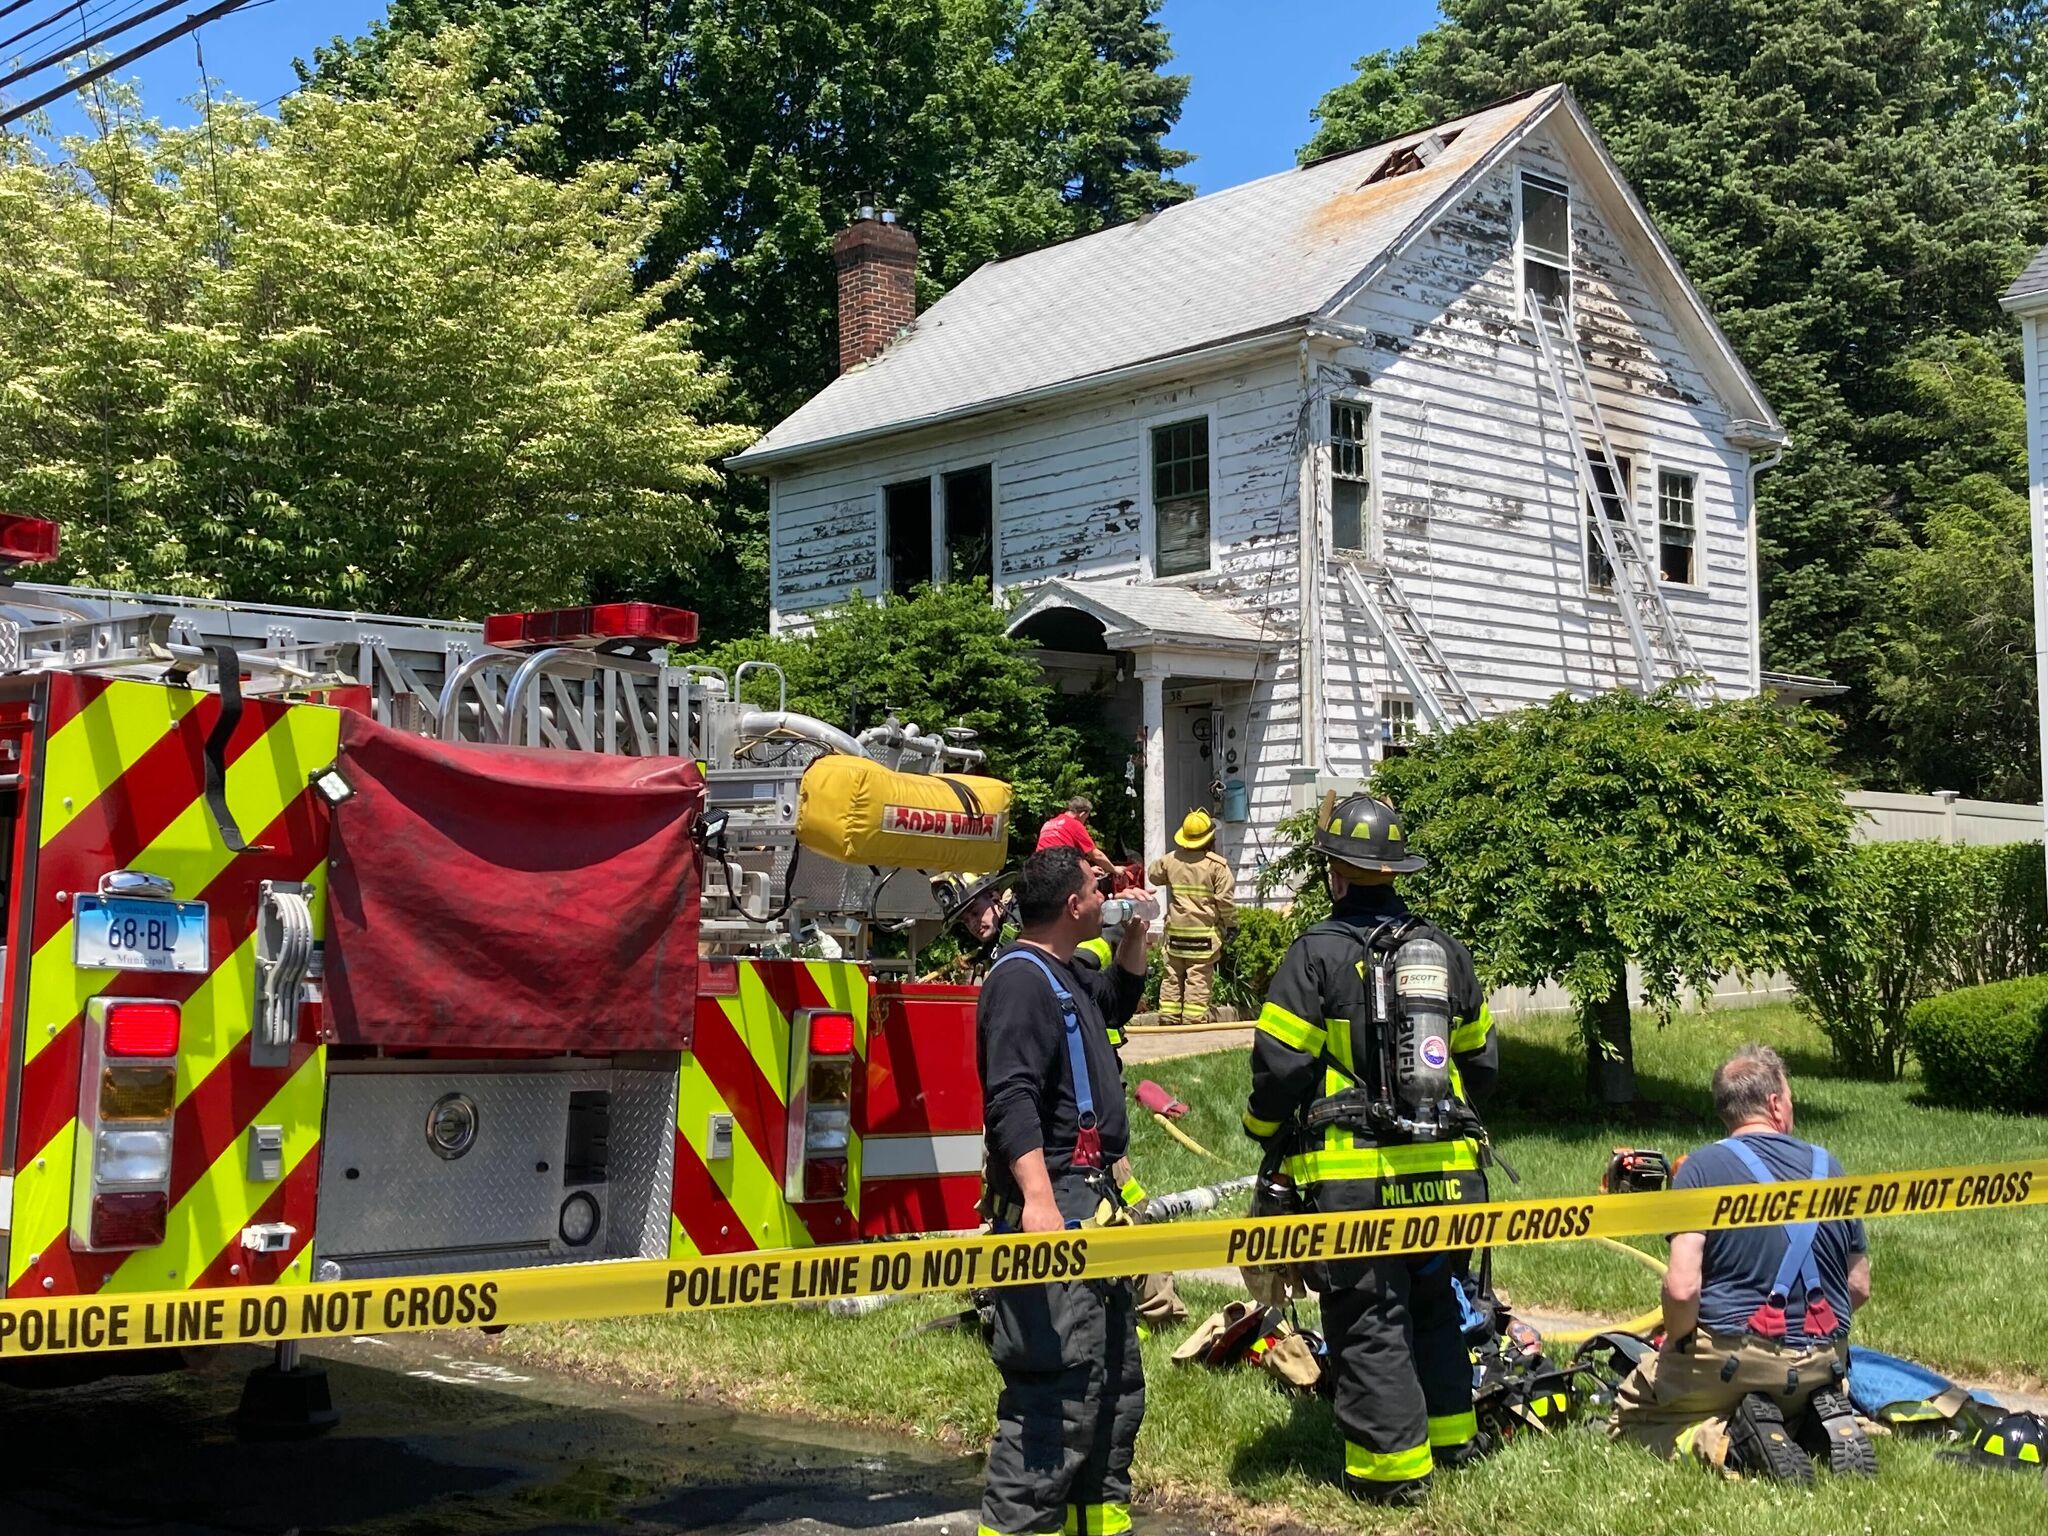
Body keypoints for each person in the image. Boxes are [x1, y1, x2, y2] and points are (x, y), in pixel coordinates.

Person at [1240, 792, 1499, 1507]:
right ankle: (1451, 1439)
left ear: (1335, 873)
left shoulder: (1314, 954)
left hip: (1359, 1181)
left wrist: (1261, 1130)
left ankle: (1391, 1474)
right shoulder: (1442, 951)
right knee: (1435, 1303)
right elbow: (1481, 1063)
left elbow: (1281, 1069)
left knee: (1371, 1316)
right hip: (1449, 1174)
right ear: (1394, 870)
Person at [975, 847, 1152, 1536]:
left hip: (1092, 1202)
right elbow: (1011, 1099)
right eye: (1097, 891)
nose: (1105, 898)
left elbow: (1118, 1001)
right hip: (1056, 1202)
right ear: (1074, 905)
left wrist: (1135, 936)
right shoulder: (1019, 982)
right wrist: (1039, 1201)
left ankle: (1096, 1523)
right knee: (1058, 1392)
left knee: (1113, 1387)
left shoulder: (1066, 971)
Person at [1610, 1045, 1875, 1481]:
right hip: (1823, 1363)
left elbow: (1681, 1289)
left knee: (1628, 1417)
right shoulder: (1830, 1167)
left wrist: (1678, 1341)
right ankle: (1804, 1423)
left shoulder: (1699, 1169)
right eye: (1790, 1097)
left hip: (1732, 1364)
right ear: (1775, 1104)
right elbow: (1859, 1286)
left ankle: (1729, 1447)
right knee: (1789, 1387)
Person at [1147, 808, 1236, 1024]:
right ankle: (1193, 1020)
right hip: (1203, 936)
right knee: (1198, 977)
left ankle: (1168, 1016)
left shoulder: (1171, 860)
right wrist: (1232, 925)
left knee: (1172, 975)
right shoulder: (1217, 866)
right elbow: (1225, 901)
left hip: (1176, 934)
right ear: (1210, 839)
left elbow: (1153, 875)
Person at [1036, 795, 1116, 879]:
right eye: (1086, 818)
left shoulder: (1048, 824)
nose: (1084, 822)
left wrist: (1089, 870)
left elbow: (1054, 858)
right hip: (1059, 873)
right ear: (1082, 814)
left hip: (1039, 870)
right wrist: (1114, 869)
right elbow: (1096, 855)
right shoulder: (1074, 824)